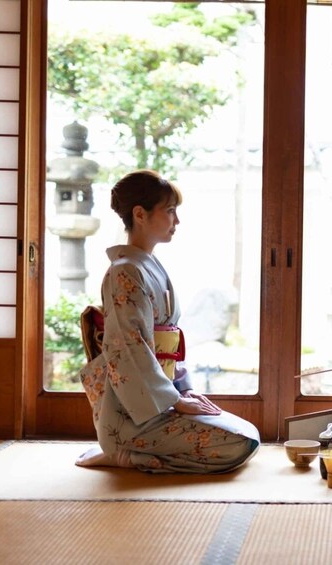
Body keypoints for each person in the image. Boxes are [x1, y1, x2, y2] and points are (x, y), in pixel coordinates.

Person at [76, 170, 260, 473]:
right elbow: (129, 350)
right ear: (140, 214)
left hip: (160, 400)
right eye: (170, 211)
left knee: (248, 435)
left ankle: (133, 450)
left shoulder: (146, 267)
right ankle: (123, 452)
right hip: (132, 413)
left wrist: (184, 390)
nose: (177, 221)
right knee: (237, 444)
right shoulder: (124, 272)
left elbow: (167, 346)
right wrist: (174, 400)